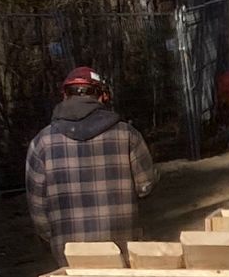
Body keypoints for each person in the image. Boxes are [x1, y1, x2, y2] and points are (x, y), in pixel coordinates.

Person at [24, 66, 155, 263]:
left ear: (64, 96)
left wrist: (56, 240)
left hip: (70, 253)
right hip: (122, 249)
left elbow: (38, 209)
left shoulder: (41, 143)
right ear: (103, 96)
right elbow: (145, 185)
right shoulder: (127, 134)